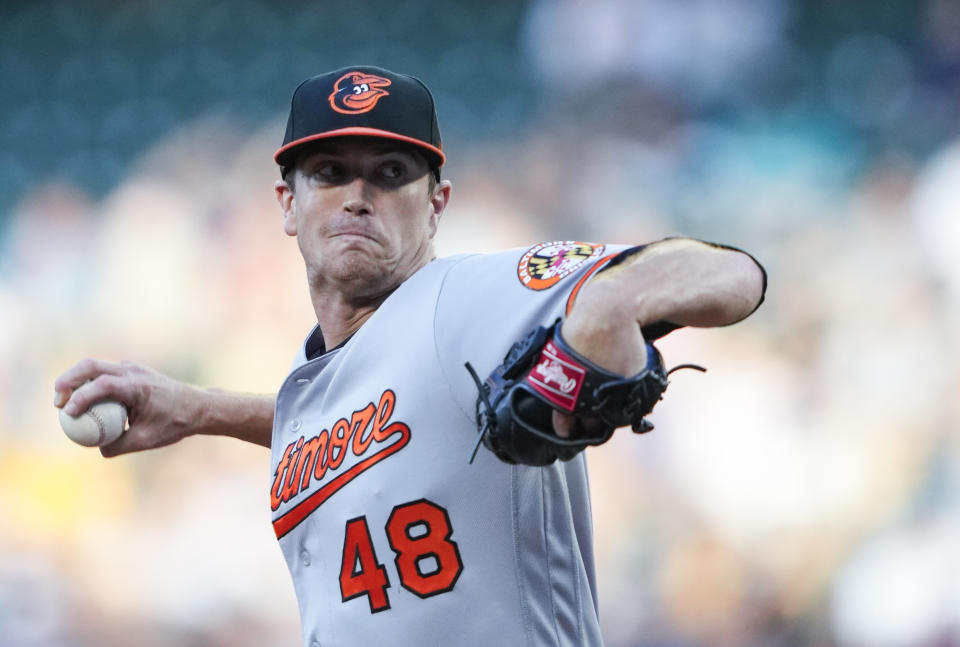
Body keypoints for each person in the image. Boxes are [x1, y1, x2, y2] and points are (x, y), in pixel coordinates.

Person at [54, 65, 766, 646]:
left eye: (391, 173)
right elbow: (384, 420)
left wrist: (608, 309)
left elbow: (732, 275)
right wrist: (202, 408)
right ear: (286, 203)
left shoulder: (462, 296)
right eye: (329, 171)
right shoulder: (332, 375)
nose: (359, 196)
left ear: (437, 204)